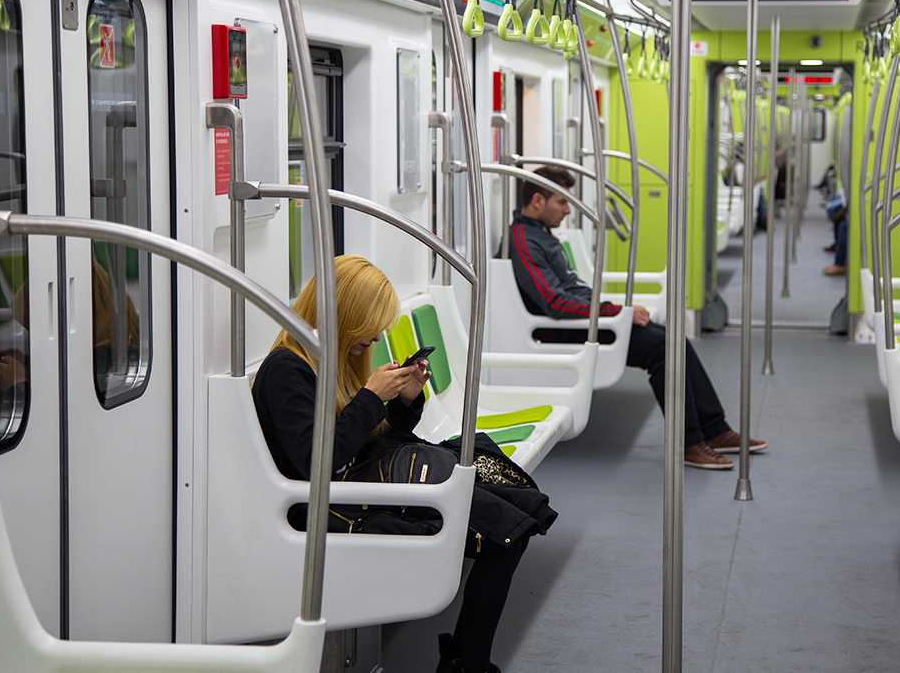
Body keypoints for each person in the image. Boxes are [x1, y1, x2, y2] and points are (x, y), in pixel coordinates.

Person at [253, 255, 552, 673]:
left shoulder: (333, 360)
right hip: (331, 505)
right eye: (369, 328)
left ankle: (465, 662)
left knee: (518, 512)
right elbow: (316, 462)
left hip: (362, 482)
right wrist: (371, 397)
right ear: (344, 316)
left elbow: (368, 437)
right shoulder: (288, 369)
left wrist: (405, 401)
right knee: (505, 535)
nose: (375, 338)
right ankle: (468, 665)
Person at [508, 166, 767, 470]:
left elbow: (570, 291)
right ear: (537, 200)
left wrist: (613, 310)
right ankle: (690, 443)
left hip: (585, 320)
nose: (567, 210)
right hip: (561, 330)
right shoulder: (523, 240)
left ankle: (715, 430)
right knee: (663, 348)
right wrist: (616, 313)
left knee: (672, 341)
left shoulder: (541, 235)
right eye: (561, 203)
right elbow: (554, 303)